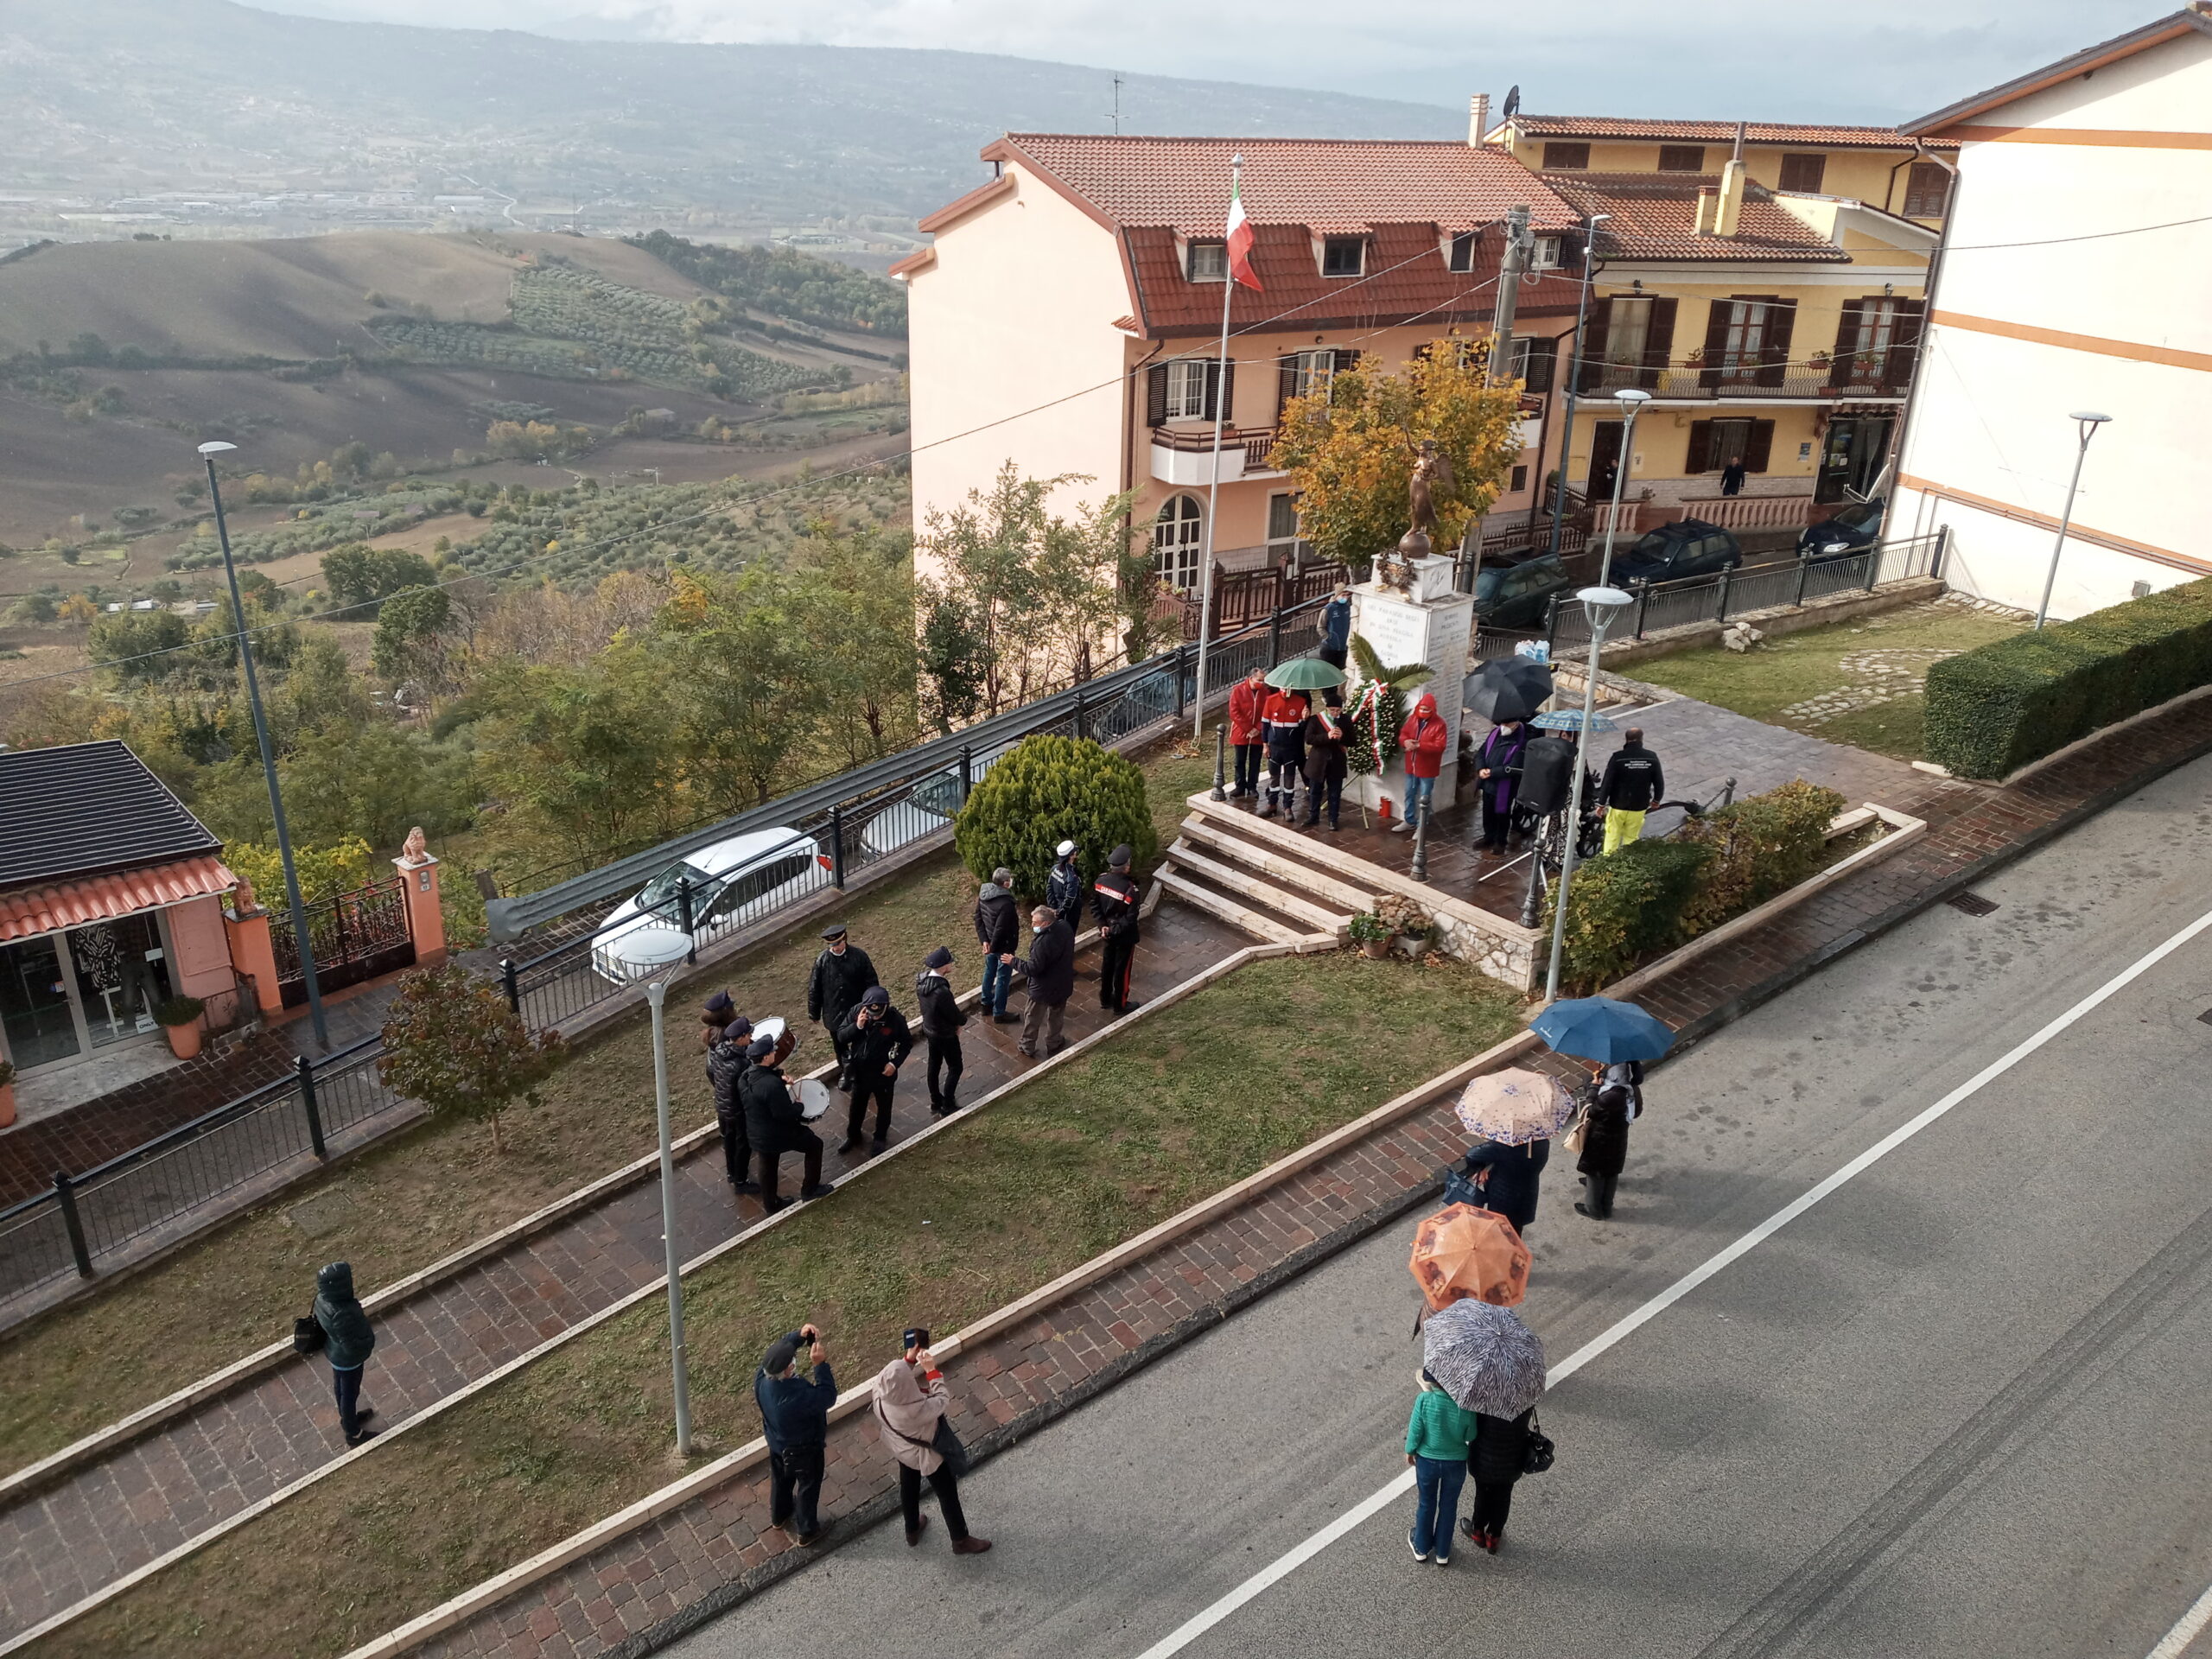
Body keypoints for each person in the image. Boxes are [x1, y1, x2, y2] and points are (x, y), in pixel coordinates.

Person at [873, 1332, 992, 1555]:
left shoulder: (880, 1392)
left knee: (908, 1486)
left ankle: (912, 1529)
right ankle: (960, 1539)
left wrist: (909, 1359)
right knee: (947, 1493)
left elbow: (896, 1379)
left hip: (901, 1448)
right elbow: (941, 1400)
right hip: (926, 1455)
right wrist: (931, 1372)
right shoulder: (914, 1410)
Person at [755, 1323, 835, 1545]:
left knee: (781, 1480)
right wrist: (820, 1366)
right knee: (808, 1486)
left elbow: (780, 1348)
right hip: (804, 1451)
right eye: (792, 1362)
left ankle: (779, 1515)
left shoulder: (762, 1379)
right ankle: (807, 1530)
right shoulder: (793, 1399)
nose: (794, 1362)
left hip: (777, 1444)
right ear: (788, 1370)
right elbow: (827, 1396)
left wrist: (798, 1337)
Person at [741, 1033, 831, 1210]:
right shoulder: (771, 1086)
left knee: (768, 1166)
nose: (774, 1054)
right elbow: (785, 1114)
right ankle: (810, 1189)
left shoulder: (745, 1078)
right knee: (815, 1145)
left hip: (757, 1133)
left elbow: (763, 1087)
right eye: (772, 1052)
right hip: (779, 1134)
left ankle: (771, 1204)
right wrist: (799, 1106)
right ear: (766, 1057)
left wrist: (779, 1076)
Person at [1405, 1368, 1478, 1565]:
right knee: (1448, 1506)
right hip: (1455, 1463)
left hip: (1427, 1462)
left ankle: (1421, 1547)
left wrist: (1410, 1450)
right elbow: (1470, 1435)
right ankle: (1443, 1552)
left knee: (1426, 1503)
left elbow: (1415, 1431)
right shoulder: (1465, 1405)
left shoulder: (1424, 1400)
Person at [837, 984, 913, 1155]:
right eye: (872, 1014)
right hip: (860, 1073)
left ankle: (880, 1137)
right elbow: (841, 1036)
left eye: (878, 1014)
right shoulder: (857, 1012)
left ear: (885, 1006)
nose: (875, 1017)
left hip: (882, 1073)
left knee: (884, 1107)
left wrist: (894, 1064)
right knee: (856, 1107)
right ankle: (853, 1136)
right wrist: (857, 1026)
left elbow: (906, 1044)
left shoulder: (895, 1020)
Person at [312, 1261, 378, 1446]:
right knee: (349, 1393)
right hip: (348, 1359)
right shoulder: (342, 1313)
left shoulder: (322, 1299)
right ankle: (353, 1433)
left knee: (340, 1389)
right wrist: (367, 1342)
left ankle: (347, 1418)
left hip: (335, 1353)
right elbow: (350, 1344)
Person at [807, 925, 879, 1087]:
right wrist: (814, 1012)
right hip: (834, 1014)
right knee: (840, 1047)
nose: (836, 948)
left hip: (857, 1011)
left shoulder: (859, 956)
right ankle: (847, 1074)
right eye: (832, 945)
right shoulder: (822, 961)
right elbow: (814, 988)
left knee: (862, 1043)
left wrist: (871, 1006)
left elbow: (871, 982)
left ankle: (865, 1073)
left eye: (838, 943)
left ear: (844, 939)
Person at [1576, 1059, 1643, 1220]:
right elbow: (1637, 1112)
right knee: (1612, 1172)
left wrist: (1593, 1088)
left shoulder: (1611, 1096)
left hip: (1601, 1140)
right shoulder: (1631, 1090)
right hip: (1619, 1139)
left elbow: (1591, 1111)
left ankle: (1593, 1209)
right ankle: (1607, 1206)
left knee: (1596, 1172)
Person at [1463, 1406, 1534, 1554]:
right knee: (1504, 1496)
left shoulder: (1486, 1395)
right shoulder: (1525, 1394)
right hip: (1512, 1457)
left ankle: (1478, 1531)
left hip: (1484, 1455)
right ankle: (1493, 1536)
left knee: (1482, 1493)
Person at [706, 1014, 761, 1195]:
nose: (751, 1038)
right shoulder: (741, 1063)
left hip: (722, 1106)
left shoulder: (721, 1051)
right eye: (748, 1035)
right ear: (741, 1038)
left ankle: (731, 1172)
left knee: (729, 1141)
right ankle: (741, 1181)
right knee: (743, 1144)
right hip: (737, 1110)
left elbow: (712, 1072)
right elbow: (750, 1086)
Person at [1457, 1135, 1549, 1234]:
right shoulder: (1543, 1142)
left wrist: (1481, 1167)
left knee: (1501, 1231)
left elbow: (1472, 1155)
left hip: (1503, 1198)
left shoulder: (1503, 1145)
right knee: (1515, 1231)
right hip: (1526, 1196)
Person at [915, 945, 967, 1116]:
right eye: (949, 962)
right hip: (945, 1034)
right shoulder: (941, 992)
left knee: (934, 1065)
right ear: (944, 966)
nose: (951, 965)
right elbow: (953, 1013)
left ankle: (935, 1101)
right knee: (955, 1067)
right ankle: (948, 1104)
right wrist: (960, 1023)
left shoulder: (921, 982)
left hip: (930, 1030)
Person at [1091, 843, 1141, 1015]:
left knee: (1107, 966)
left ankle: (1105, 999)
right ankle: (1120, 1005)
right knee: (1122, 971)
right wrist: (1114, 930)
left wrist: (1103, 926)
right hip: (1123, 936)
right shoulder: (1130, 889)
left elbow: (1095, 906)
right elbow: (1130, 917)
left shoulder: (1100, 881)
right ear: (1127, 866)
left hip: (1107, 933)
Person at [1599, 727, 1666, 855]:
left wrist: (1601, 804)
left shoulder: (1618, 757)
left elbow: (1607, 782)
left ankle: (1608, 863)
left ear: (1626, 739)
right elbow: (1659, 782)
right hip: (1639, 805)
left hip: (1618, 804)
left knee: (1612, 835)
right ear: (1641, 739)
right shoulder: (1651, 757)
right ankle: (1628, 863)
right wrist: (1656, 800)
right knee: (1631, 837)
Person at [1020, 903, 1075, 1058]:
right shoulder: (1065, 927)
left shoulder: (1042, 942)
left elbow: (1033, 968)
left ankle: (1027, 1046)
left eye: (1035, 923)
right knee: (1056, 1015)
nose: (1032, 925)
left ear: (1045, 923)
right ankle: (1054, 1041)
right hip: (1062, 984)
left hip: (1042, 989)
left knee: (1032, 1017)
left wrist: (1013, 962)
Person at [973, 868, 1022, 1026]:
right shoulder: (1006, 903)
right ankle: (999, 1013)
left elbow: (978, 918)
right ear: (1006, 883)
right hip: (1003, 947)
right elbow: (1001, 929)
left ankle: (985, 1004)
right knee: (1002, 979)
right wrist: (992, 946)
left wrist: (985, 942)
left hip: (990, 944)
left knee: (989, 973)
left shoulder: (983, 893)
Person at [1395, 691, 1449, 833]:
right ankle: (1409, 820)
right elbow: (1403, 734)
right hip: (1411, 765)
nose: (1423, 712)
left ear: (1433, 710)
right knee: (1409, 794)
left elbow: (1440, 745)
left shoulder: (1439, 724)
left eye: (1427, 710)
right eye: (1422, 709)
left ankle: (1422, 825)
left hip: (1427, 767)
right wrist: (1405, 741)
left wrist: (1420, 746)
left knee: (1425, 798)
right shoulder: (1413, 719)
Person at [1473, 719, 1528, 855]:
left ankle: (1500, 841)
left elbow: (1514, 766)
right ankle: (1488, 836)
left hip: (1504, 786)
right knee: (1487, 811)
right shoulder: (1494, 734)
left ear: (1515, 724)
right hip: (1488, 782)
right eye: (1502, 724)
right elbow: (1481, 752)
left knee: (1501, 814)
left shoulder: (1521, 742)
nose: (1504, 727)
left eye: (1507, 724)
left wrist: (1493, 772)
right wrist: (1481, 768)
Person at [1259, 685, 1309, 820]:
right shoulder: (1270, 700)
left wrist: (1305, 719)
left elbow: (1301, 731)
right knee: (1274, 777)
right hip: (1274, 747)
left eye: (1290, 687)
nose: (1286, 690)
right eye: (1284, 687)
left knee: (1289, 778)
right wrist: (1265, 745)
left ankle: (1288, 807)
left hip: (1290, 748)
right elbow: (1265, 725)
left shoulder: (1300, 701)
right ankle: (1272, 804)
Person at [1300, 694, 1348, 832]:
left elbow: (1352, 740)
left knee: (1334, 793)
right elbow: (1309, 739)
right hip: (1318, 761)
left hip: (1337, 761)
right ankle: (1313, 816)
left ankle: (1333, 819)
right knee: (1315, 791)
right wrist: (1326, 736)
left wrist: (1342, 737)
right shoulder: (1316, 720)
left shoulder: (1345, 720)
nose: (1335, 713)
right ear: (1326, 709)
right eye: (1332, 710)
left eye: (1338, 710)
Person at [1227, 665, 1268, 800]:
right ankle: (1240, 785)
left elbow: (1267, 712)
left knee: (1255, 761)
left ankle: (1252, 786)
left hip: (1257, 732)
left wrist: (1258, 728)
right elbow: (1234, 712)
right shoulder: (1238, 690)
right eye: (1259, 680)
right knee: (1240, 760)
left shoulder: (1265, 692)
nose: (1261, 683)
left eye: (1263, 681)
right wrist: (1248, 728)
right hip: (1241, 731)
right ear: (1251, 678)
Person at [1045, 841, 1085, 933]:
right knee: (1068, 934)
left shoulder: (1054, 868)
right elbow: (1069, 900)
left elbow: (1049, 889)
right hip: (1069, 913)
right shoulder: (1071, 877)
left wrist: (1053, 908)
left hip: (1057, 908)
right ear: (1071, 856)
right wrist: (1059, 913)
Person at [1317, 583, 1353, 671]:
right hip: (1330, 648)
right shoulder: (1328, 609)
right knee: (1327, 671)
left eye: (1347, 595)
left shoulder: (1348, 607)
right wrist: (1329, 637)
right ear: (1337, 595)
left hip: (1343, 648)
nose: (1345, 597)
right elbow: (1320, 627)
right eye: (1343, 595)